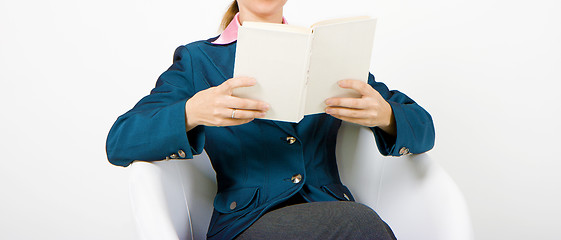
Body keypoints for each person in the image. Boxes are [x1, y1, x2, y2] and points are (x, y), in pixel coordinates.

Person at [106, 0, 435, 239]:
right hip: (248, 223)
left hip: (329, 208)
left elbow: (424, 128)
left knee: (358, 224)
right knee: (361, 224)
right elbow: (120, 140)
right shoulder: (200, 60)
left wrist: (387, 116)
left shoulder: (329, 52)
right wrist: (191, 112)